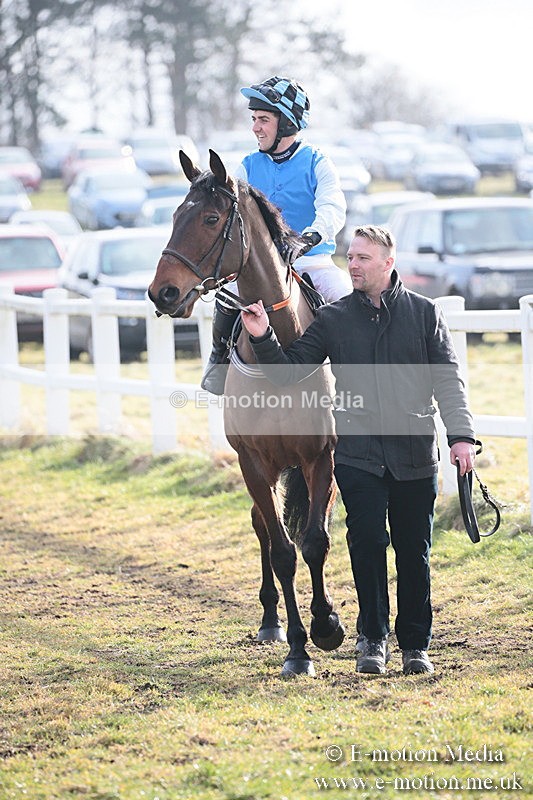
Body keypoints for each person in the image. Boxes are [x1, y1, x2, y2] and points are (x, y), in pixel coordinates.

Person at [240, 224, 477, 676]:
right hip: (357, 456)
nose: (352, 265)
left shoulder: (424, 313)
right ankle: (372, 640)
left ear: (389, 262)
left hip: (414, 452)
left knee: (414, 551)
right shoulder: (334, 318)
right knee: (366, 545)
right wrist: (263, 336)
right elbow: (289, 372)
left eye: (363, 258)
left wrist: (461, 436)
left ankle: (415, 645)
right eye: (350, 257)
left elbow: (448, 380)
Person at [201, 75, 352, 395]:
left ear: (286, 123)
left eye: (263, 120)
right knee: (227, 295)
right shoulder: (247, 166)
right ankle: (218, 359)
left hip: (312, 262)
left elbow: (333, 206)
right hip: (261, 265)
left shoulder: (317, 161)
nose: (255, 127)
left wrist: (311, 237)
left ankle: (357, 382)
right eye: (254, 119)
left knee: (347, 298)